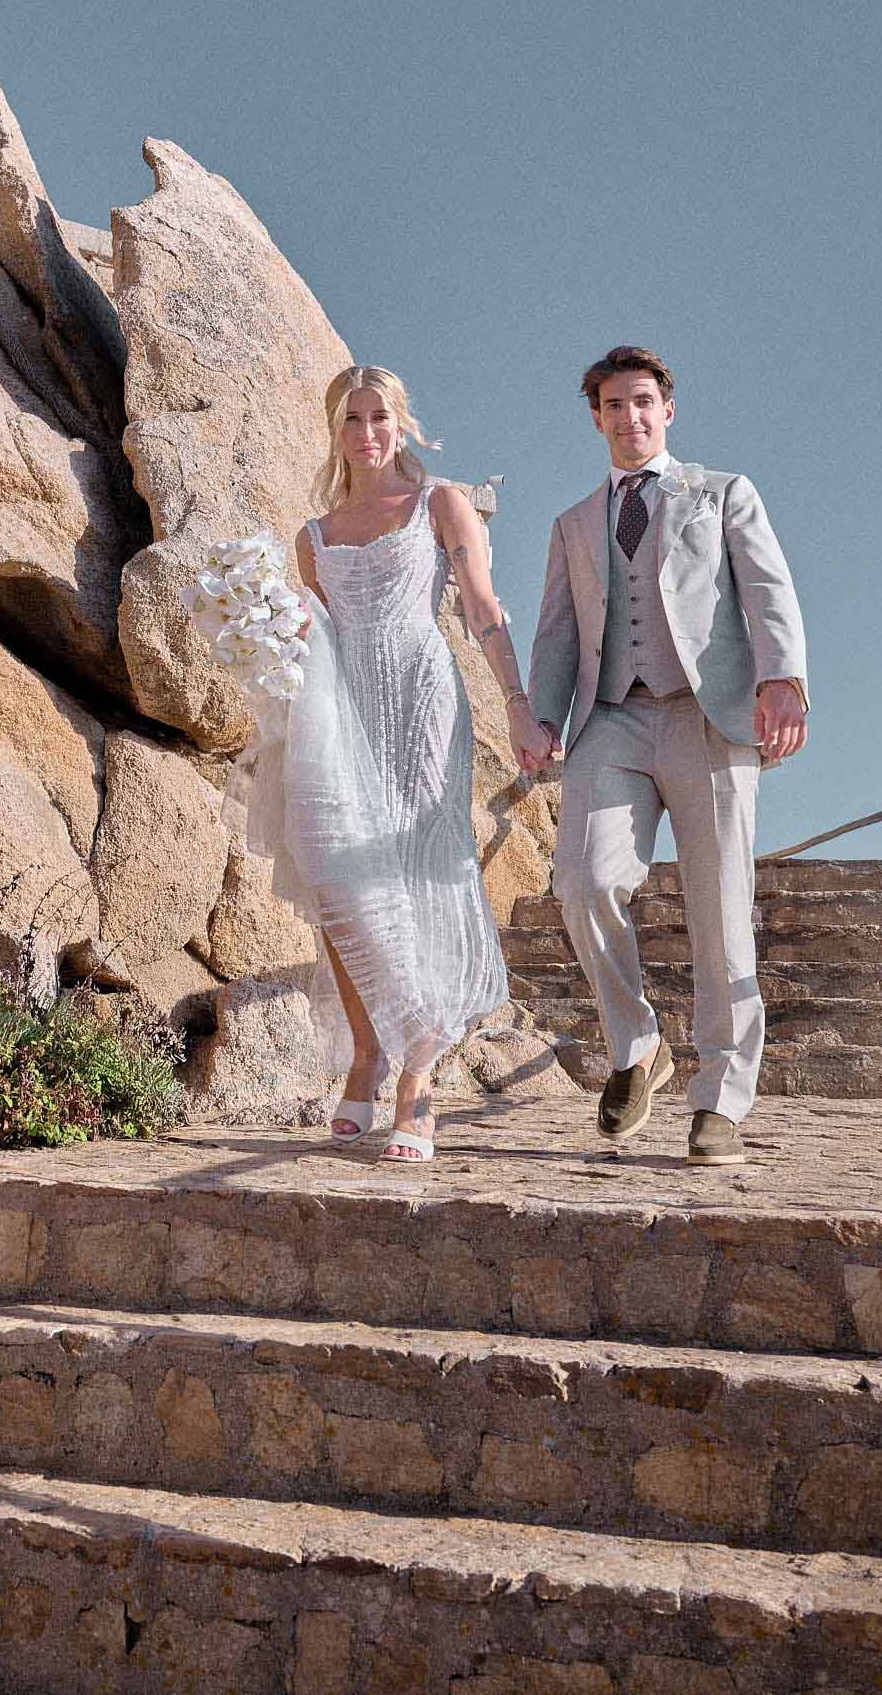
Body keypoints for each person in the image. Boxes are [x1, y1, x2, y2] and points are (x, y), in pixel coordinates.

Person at [521, 345, 808, 1166]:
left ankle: (719, 1098)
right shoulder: (574, 524)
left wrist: (782, 678)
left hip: (707, 718)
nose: (630, 417)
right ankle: (637, 1045)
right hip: (610, 719)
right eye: (614, 405)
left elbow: (767, 589)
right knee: (582, 878)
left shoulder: (722, 494)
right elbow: (554, 635)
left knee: (718, 910)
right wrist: (542, 719)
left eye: (643, 402)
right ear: (596, 417)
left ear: (667, 409)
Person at [259, 364, 525, 1161]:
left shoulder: (438, 502)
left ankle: (417, 1078)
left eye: (379, 417)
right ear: (334, 430)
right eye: (351, 420)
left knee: (413, 871)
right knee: (339, 876)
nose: (367, 433)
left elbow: (480, 605)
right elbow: (314, 638)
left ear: (401, 422)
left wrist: (517, 702)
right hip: (342, 713)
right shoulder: (311, 537)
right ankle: (366, 1055)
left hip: (421, 702)